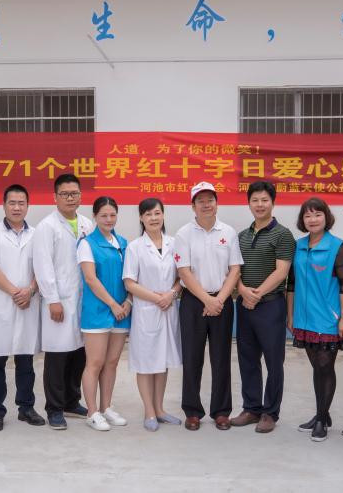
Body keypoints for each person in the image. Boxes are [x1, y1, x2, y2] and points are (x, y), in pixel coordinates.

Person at [174, 181, 243, 431]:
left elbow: (235, 269)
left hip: (221, 301)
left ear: (217, 203)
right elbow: (184, 271)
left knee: (221, 358)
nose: (206, 205)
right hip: (194, 302)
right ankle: (192, 411)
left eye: (210, 200)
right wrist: (207, 300)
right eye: (200, 201)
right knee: (192, 358)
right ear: (193, 206)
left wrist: (219, 300)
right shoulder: (183, 234)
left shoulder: (229, 232)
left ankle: (221, 411)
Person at [231, 181, 295, 434]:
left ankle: (270, 412)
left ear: (273, 202)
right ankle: (251, 408)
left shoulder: (283, 234)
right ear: (249, 203)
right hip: (244, 305)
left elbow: (281, 272)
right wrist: (242, 290)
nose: (260, 205)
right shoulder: (241, 236)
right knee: (247, 358)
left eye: (264, 200)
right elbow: (234, 270)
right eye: (255, 200)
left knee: (273, 361)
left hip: (270, 306)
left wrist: (256, 295)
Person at [0, 184, 45, 432]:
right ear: (4, 205)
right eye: (12, 202)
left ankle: (26, 408)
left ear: (28, 206)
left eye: (21, 203)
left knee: (26, 360)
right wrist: (15, 292)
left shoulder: (37, 234)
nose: (17, 207)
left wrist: (30, 290)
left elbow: (43, 267)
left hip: (29, 302)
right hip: (2, 305)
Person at [288, 197, 343, 442]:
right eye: (307, 215)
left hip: (327, 319)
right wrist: (290, 315)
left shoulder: (337, 246)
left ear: (326, 217)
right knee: (317, 368)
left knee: (325, 367)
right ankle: (321, 413)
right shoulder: (298, 246)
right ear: (302, 220)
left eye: (317, 214)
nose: (312, 219)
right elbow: (291, 285)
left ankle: (322, 420)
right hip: (304, 319)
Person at [32, 173, 93, 430]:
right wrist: (53, 299)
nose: (70, 198)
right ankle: (54, 408)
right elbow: (42, 264)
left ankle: (71, 400)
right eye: (65, 194)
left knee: (79, 353)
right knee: (57, 356)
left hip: (83, 300)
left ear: (81, 196)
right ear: (55, 197)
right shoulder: (47, 226)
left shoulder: (87, 223)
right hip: (60, 299)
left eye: (74, 193)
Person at [123, 198, 182, 432]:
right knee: (146, 362)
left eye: (157, 213)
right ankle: (149, 411)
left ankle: (160, 409)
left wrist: (171, 294)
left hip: (168, 309)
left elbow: (182, 277)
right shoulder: (135, 247)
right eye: (148, 214)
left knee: (162, 361)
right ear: (141, 218)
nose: (153, 218)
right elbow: (129, 283)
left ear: (163, 215)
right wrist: (158, 298)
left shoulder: (174, 244)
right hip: (147, 311)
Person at [78, 196, 131, 431]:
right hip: (98, 311)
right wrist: (112, 304)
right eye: (103, 215)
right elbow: (90, 279)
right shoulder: (87, 244)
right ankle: (92, 412)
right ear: (95, 217)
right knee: (95, 362)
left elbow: (131, 276)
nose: (109, 219)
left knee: (111, 362)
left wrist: (128, 301)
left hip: (122, 311)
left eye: (112, 215)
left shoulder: (123, 243)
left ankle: (106, 407)